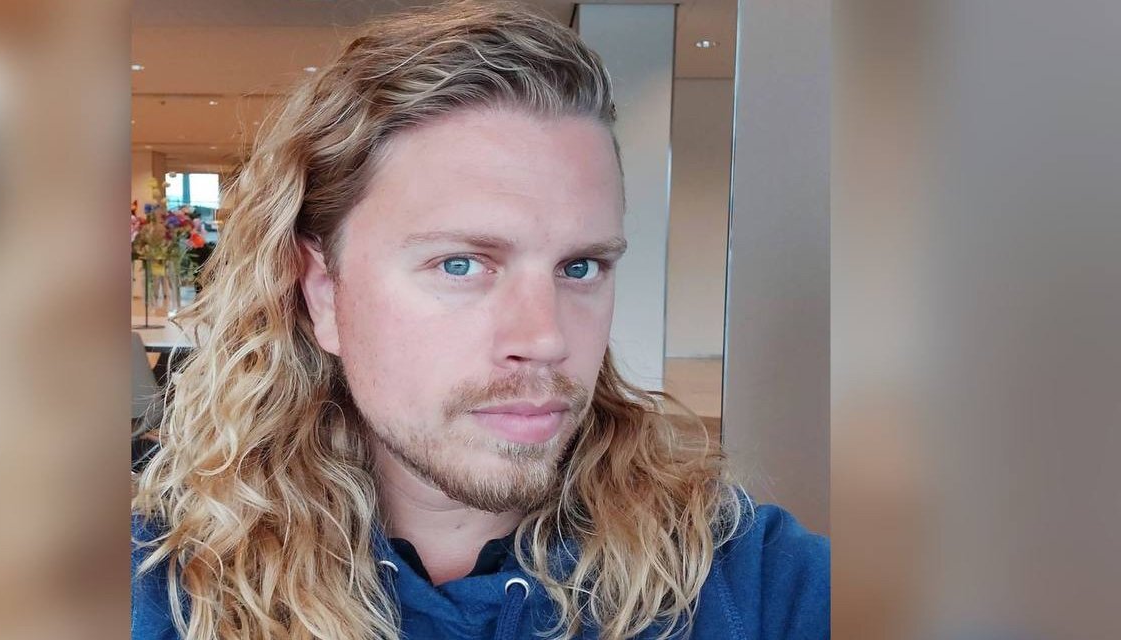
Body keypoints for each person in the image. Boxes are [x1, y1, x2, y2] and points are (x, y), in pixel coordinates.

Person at [131, 2, 829, 639]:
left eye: (580, 266)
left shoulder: (744, 577)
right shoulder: (165, 586)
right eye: (461, 264)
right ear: (322, 291)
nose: (546, 339)